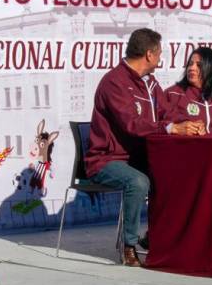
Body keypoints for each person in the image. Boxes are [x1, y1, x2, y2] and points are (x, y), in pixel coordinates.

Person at [85, 28, 205, 266]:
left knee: (179, 174)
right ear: (149, 54)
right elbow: (132, 124)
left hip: (140, 157)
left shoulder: (149, 83)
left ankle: (158, 238)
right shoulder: (114, 82)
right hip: (107, 160)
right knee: (138, 181)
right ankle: (129, 245)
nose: (160, 59)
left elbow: (168, 112)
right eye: (159, 54)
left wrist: (188, 123)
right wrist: (171, 129)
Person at [164, 47, 212, 133]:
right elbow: (157, 124)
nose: (192, 68)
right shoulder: (173, 94)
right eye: (190, 64)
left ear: (211, 68)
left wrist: (208, 134)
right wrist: (175, 128)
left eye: (199, 65)